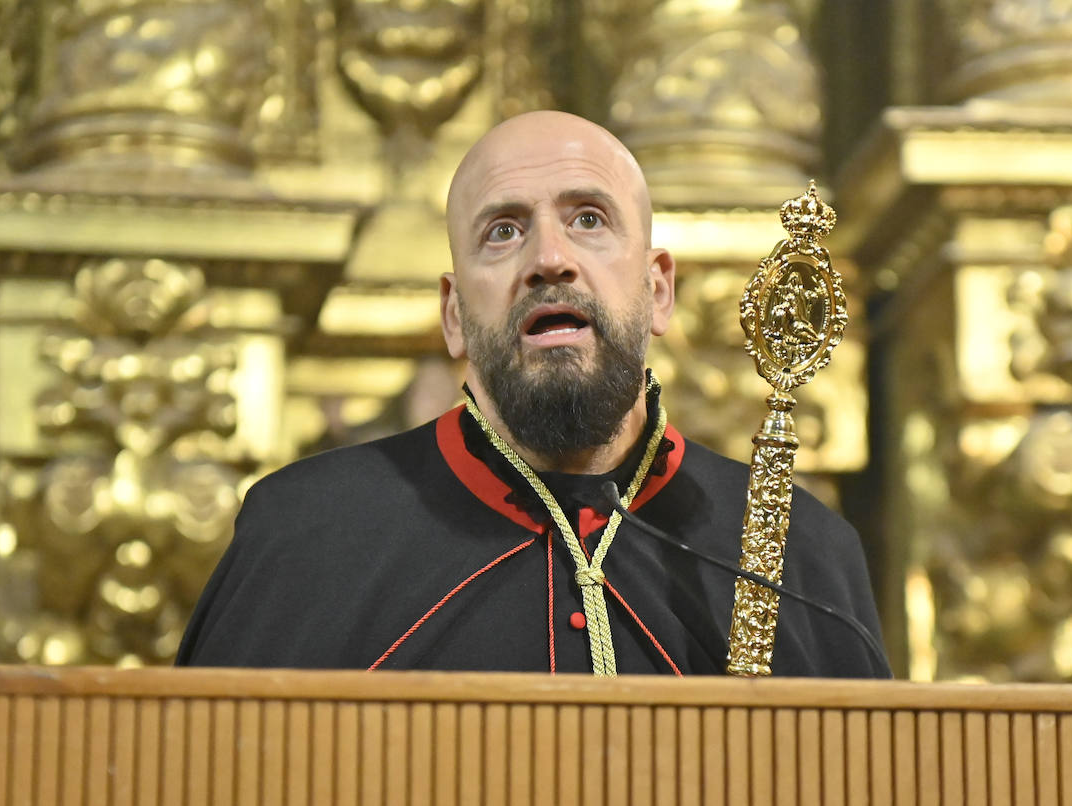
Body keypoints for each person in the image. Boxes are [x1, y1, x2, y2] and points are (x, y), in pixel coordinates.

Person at [176, 111, 888, 677]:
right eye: (504, 230)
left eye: (588, 219)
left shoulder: (802, 552)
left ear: (658, 290)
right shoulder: (306, 537)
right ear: (454, 316)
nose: (550, 259)